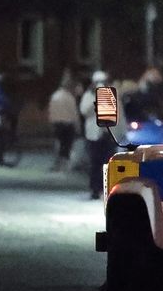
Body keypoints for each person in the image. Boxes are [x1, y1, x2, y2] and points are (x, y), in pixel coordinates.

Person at [80, 70, 114, 199]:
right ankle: (95, 189)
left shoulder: (110, 95)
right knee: (95, 163)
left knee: (108, 163)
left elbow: (114, 115)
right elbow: (84, 111)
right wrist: (96, 99)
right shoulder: (88, 95)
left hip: (106, 134)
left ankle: (107, 189)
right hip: (93, 135)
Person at [47, 70, 80, 172]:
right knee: (66, 145)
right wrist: (77, 126)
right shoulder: (69, 98)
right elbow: (74, 113)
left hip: (57, 124)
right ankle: (64, 165)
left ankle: (57, 164)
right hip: (68, 125)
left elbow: (50, 111)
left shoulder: (55, 96)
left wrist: (51, 121)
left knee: (58, 144)